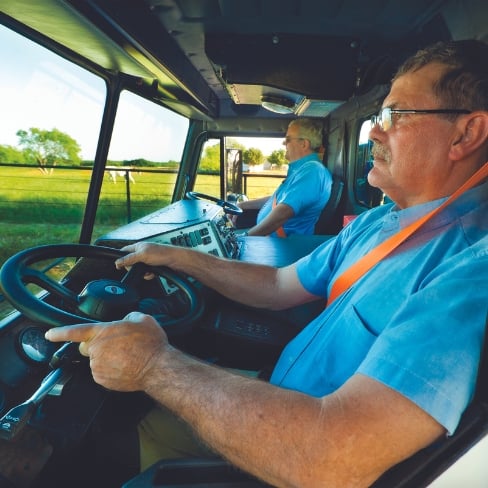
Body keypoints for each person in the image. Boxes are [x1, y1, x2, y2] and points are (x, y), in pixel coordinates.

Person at [45, 39, 488, 487]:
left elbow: (330, 458)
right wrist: (183, 258)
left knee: (92, 439)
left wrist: (152, 366)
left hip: (286, 450)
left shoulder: (471, 269)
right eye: (378, 118)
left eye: (397, 115)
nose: (374, 132)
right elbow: (279, 285)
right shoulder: (378, 220)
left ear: (466, 134)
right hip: (275, 396)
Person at [235, 117, 332, 236]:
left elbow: (283, 212)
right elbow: (278, 200)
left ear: (304, 144)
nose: (283, 143)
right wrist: (241, 205)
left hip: (283, 245)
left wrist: (245, 238)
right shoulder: (301, 171)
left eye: (288, 139)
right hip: (272, 240)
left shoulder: (313, 170)